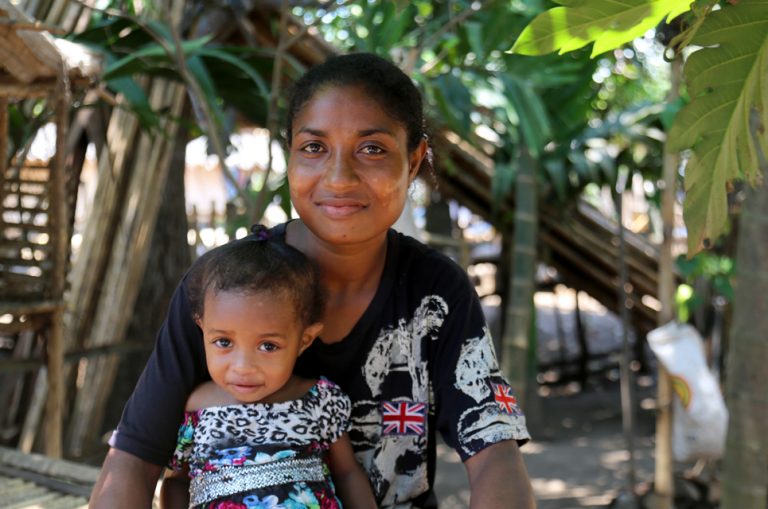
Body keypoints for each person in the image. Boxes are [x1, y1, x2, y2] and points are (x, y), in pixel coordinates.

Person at [91, 52, 535, 509]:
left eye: (372, 149)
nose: (339, 178)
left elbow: (494, 456)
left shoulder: (436, 294)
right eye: (314, 148)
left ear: (415, 158)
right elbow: (133, 461)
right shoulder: (223, 287)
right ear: (290, 156)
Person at [159, 231, 377, 508]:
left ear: (304, 340)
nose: (243, 367)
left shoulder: (321, 400)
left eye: (268, 346)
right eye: (224, 342)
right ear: (202, 329)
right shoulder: (195, 407)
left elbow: (347, 473)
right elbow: (176, 480)